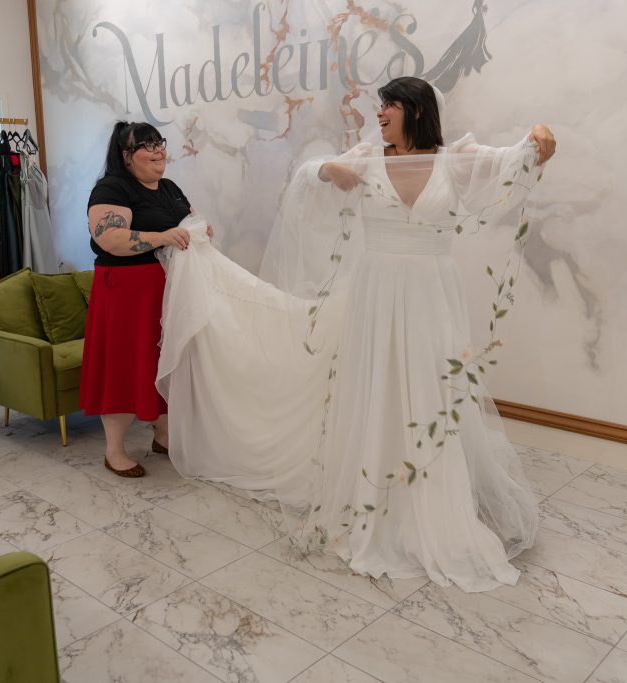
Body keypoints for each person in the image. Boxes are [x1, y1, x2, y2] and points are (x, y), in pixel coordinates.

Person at [157, 76, 555, 591]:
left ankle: (432, 495)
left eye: (388, 105)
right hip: (376, 290)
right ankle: (374, 491)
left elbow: (521, 158)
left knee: (431, 385)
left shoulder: (455, 159)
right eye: (379, 105)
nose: (379, 113)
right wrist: (328, 168)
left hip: (431, 292)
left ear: (415, 110)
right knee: (378, 384)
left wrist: (540, 133)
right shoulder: (367, 157)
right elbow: (306, 178)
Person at [79, 121, 194, 477]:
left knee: (163, 362)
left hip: (166, 291)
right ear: (126, 155)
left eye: (159, 142)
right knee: (124, 365)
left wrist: (198, 232)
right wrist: (163, 236)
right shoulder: (112, 188)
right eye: (147, 145)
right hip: (126, 293)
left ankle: (163, 434)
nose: (158, 150)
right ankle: (114, 450)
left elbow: (187, 225)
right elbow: (110, 238)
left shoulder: (169, 188)